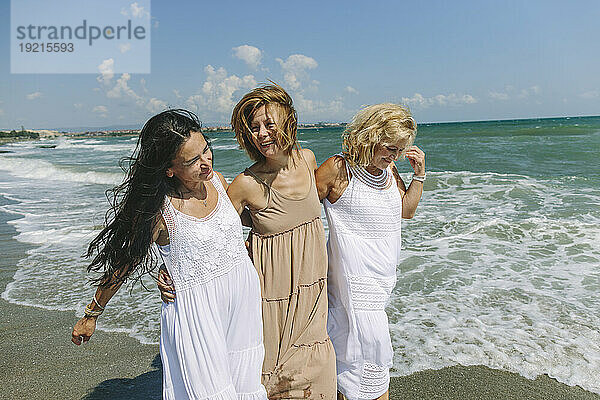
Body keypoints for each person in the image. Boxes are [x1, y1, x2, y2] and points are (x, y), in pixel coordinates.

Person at [71, 109, 267, 400]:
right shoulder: (161, 213)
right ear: (169, 168)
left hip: (242, 300)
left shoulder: (219, 182)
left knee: (245, 385)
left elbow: (252, 224)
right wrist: (92, 313)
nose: (206, 162)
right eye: (193, 160)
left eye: (206, 149)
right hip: (196, 313)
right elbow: (124, 264)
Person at [159, 85, 337, 399]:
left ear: (289, 123)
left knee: (317, 370)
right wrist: (171, 268)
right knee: (269, 378)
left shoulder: (308, 159)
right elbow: (211, 231)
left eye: (270, 124)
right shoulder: (244, 184)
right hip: (267, 293)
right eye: (254, 128)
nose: (263, 134)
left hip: (312, 288)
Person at [315, 104, 425, 400]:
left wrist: (419, 176)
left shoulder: (389, 171)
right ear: (370, 136)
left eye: (399, 151)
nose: (393, 156)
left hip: (381, 284)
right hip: (350, 284)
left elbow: (407, 210)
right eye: (389, 148)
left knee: (362, 359)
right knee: (358, 356)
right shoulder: (339, 169)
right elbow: (301, 209)